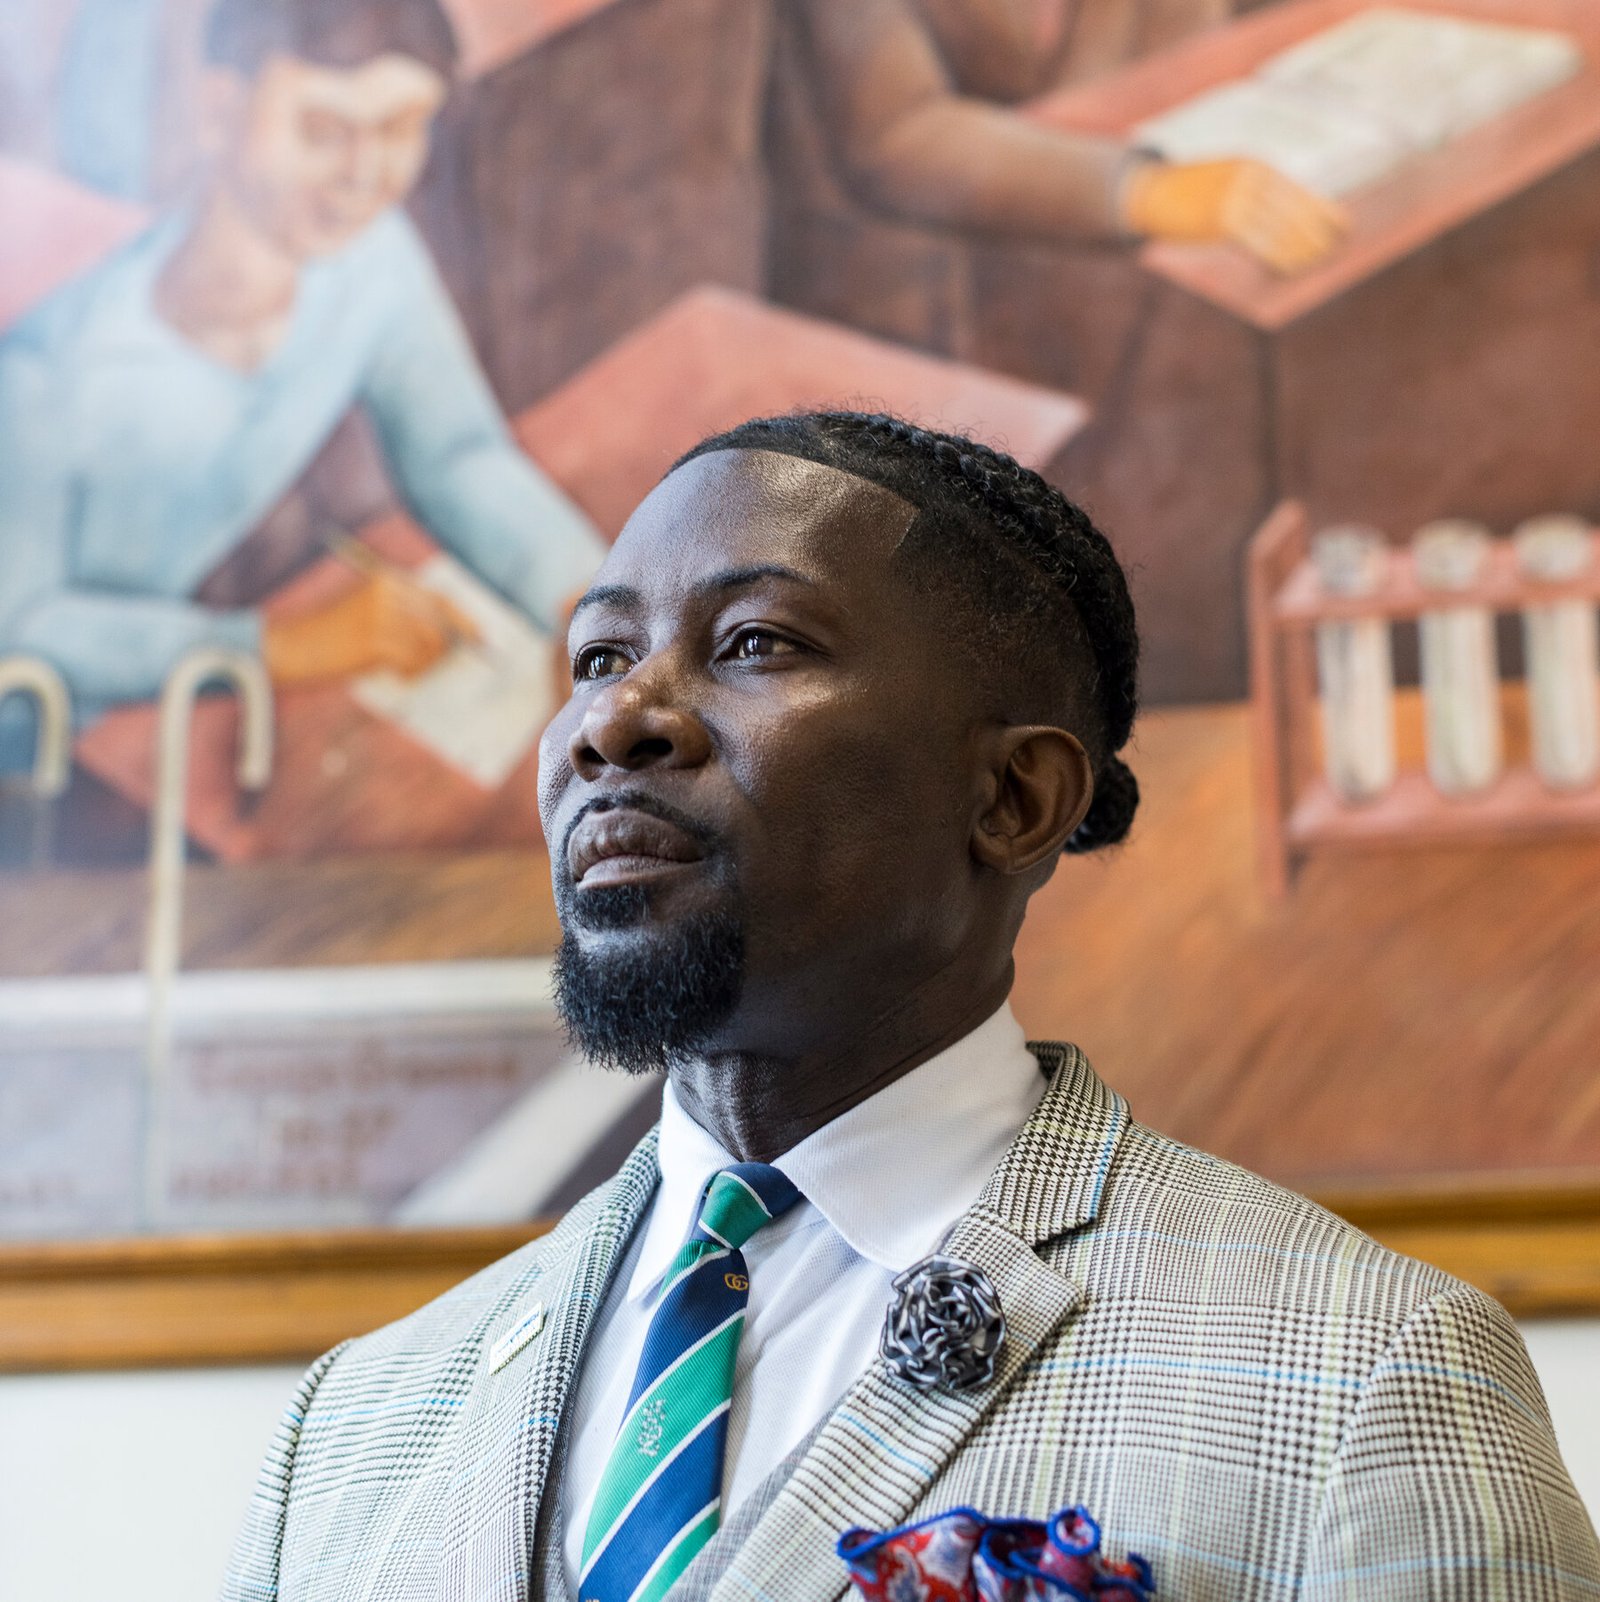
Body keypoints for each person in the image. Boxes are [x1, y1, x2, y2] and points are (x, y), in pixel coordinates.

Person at [222, 414, 1600, 1601]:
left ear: (1013, 797)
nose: (615, 720)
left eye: (753, 641)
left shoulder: (1368, 1378)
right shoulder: (349, 1430)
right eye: (596, 657)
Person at [0, 0, 603, 771]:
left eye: (400, 128)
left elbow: (456, 455)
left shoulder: (371, 262)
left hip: (150, 720)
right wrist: (282, 646)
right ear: (219, 112)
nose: (364, 176)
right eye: (322, 131)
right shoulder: (48, 372)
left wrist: (586, 602)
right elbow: (17, 629)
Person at [779, 0, 1349, 276]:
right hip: (932, 274)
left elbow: (1189, 53)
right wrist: (1142, 190)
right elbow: (896, 138)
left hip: (1165, 228)